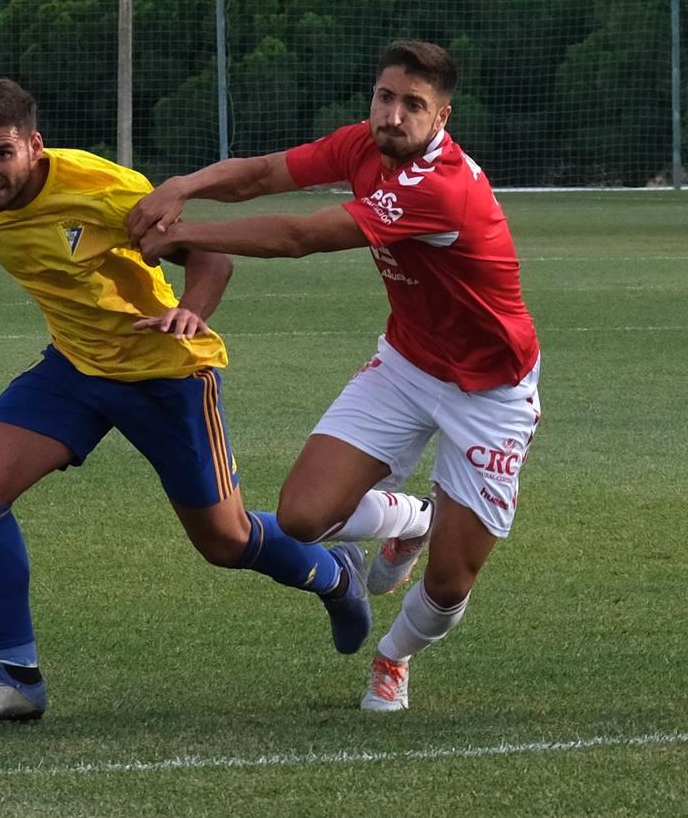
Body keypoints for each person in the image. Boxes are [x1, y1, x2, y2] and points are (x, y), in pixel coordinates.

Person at [0, 77, 376, 723]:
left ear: (35, 145)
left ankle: (336, 574)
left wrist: (190, 313)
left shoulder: (102, 188)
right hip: (75, 371)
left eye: (0, 153)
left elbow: (210, 260)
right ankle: (19, 677)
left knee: (225, 541)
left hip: (164, 372)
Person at [130, 40, 542, 712]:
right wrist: (184, 184)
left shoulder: (441, 189)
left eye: (414, 105)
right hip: (408, 362)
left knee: (448, 584)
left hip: (490, 392)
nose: (393, 114)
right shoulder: (361, 145)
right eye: (386, 97)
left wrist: (186, 234)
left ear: (442, 118)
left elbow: (300, 236)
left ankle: (394, 655)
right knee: (301, 516)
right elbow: (264, 173)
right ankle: (413, 517)